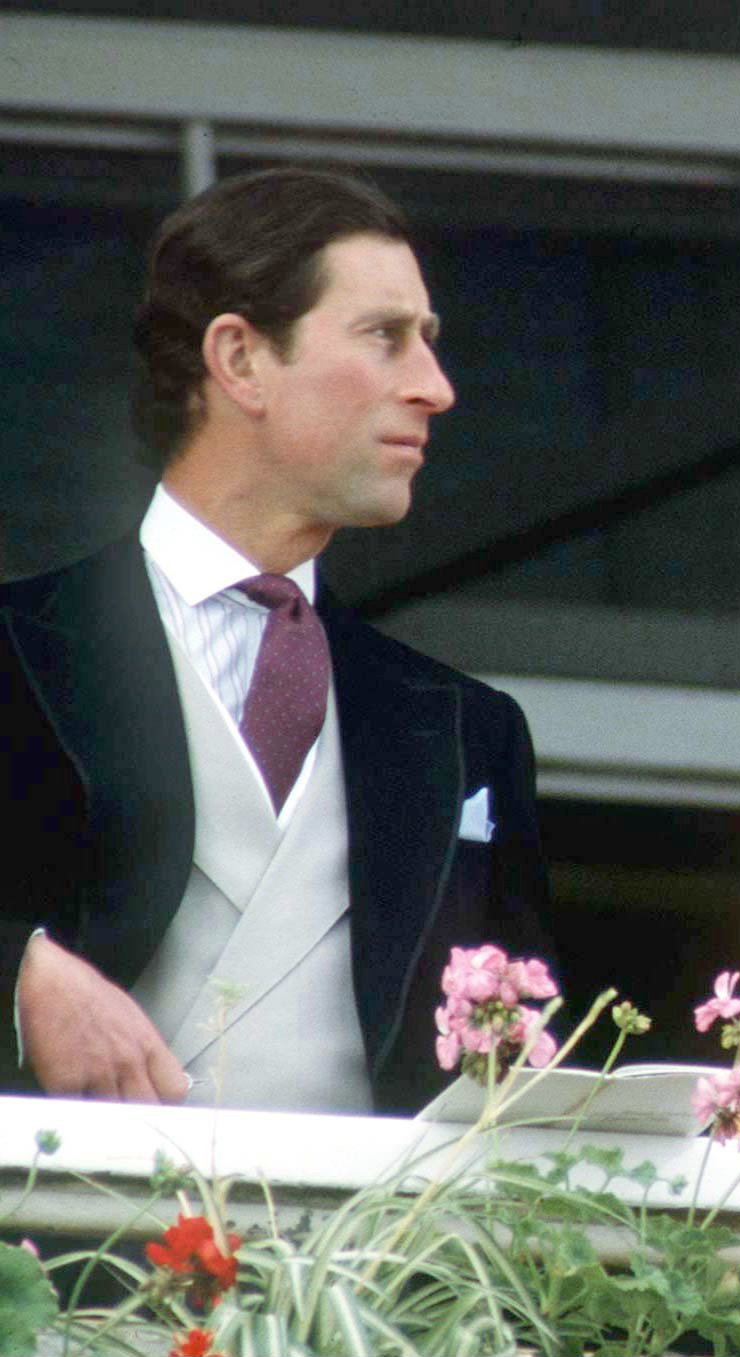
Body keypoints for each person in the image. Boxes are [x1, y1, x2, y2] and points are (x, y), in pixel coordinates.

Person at [0, 166, 550, 1115]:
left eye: (430, 342)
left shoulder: (473, 728)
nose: (437, 388)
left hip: (368, 1259)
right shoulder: (13, 645)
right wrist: (17, 977)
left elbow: (527, 1076)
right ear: (240, 359)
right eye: (386, 337)